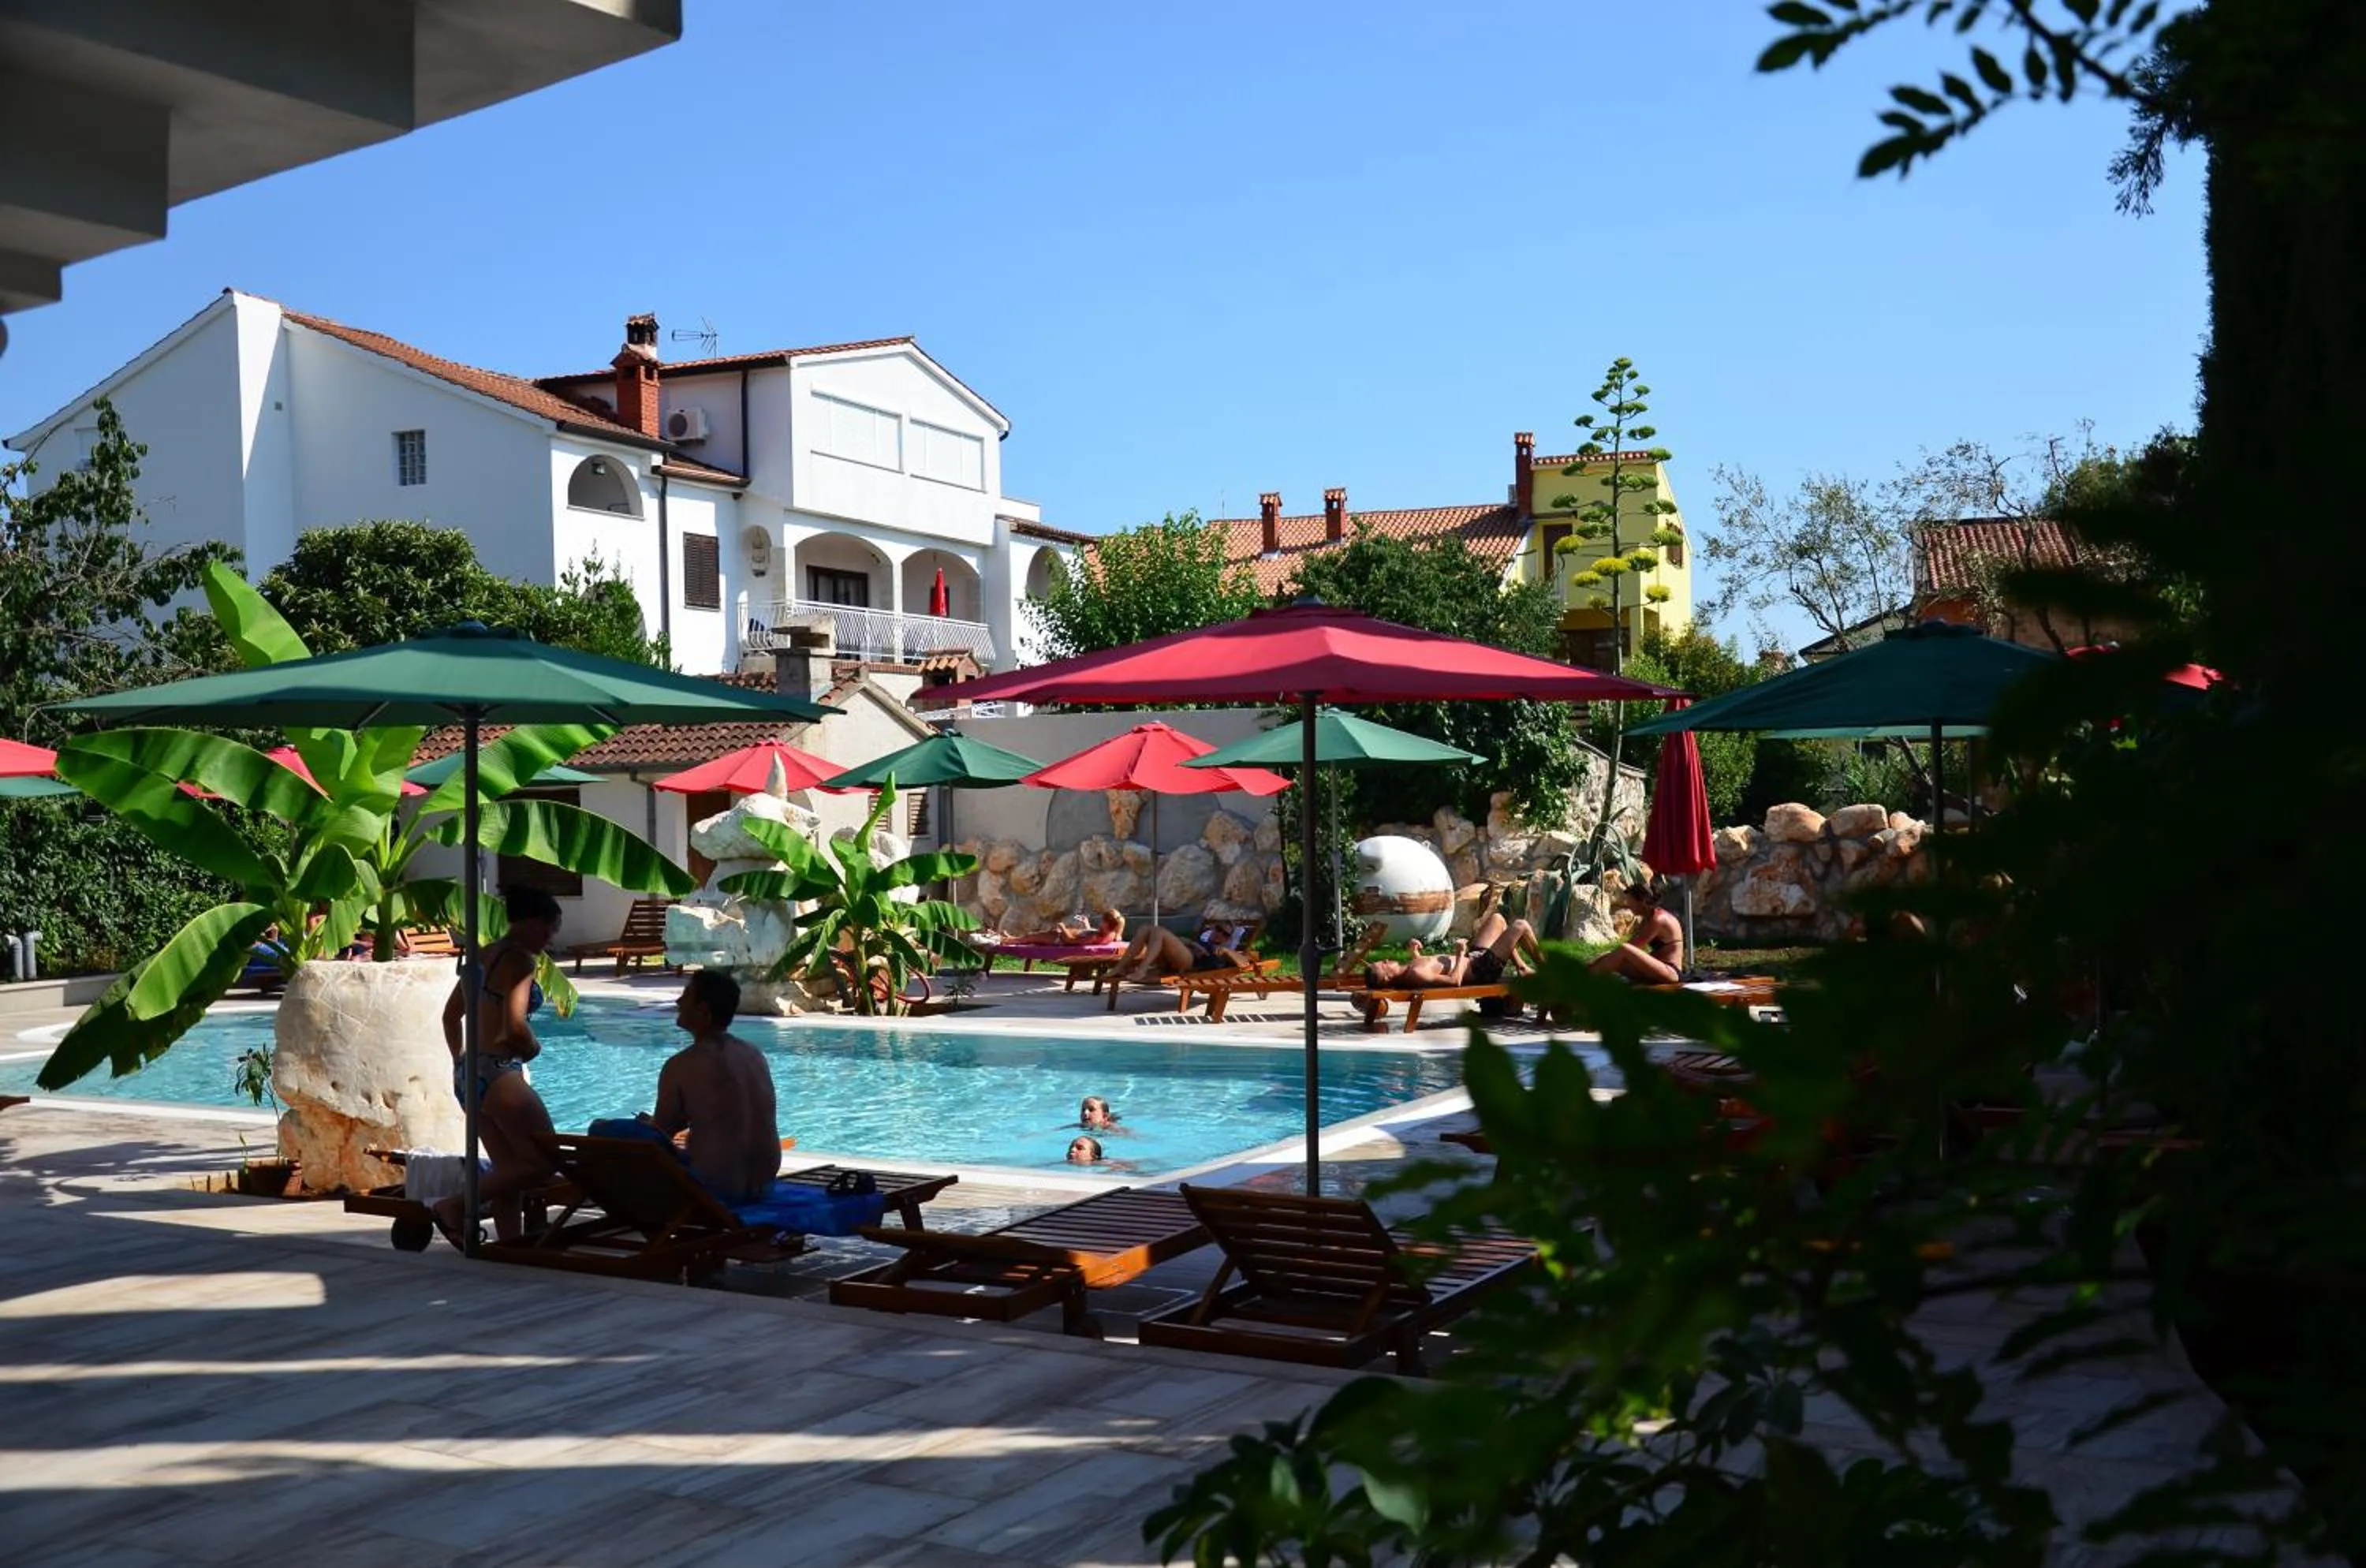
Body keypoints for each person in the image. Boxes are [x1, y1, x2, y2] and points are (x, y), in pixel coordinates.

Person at [433, 887, 563, 1247]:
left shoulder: (480, 955)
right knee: (543, 1161)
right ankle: (454, 1206)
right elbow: (514, 1025)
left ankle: (511, 1245)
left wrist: (459, 1059)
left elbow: (450, 1016)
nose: (551, 938)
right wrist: (533, 1048)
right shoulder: (521, 961)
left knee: (509, 1171)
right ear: (533, 923)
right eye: (550, 928)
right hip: (500, 1071)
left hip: (469, 1074)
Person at [645, 969, 781, 1206]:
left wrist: (645, 1124)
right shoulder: (754, 1055)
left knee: (610, 1132)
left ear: (704, 1012)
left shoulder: (681, 1065)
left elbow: (661, 1135)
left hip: (716, 1188)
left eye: (686, 996)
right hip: (764, 1184)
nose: (678, 1002)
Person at [1588, 879, 1685, 985]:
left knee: (1623, 950)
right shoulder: (1648, 917)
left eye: (1630, 901)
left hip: (1670, 971)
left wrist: (1604, 956)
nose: (1628, 905)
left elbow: (1634, 946)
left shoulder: (1658, 919)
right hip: (1658, 966)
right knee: (1616, 961)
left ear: (1642, 901)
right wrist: (1600, 959)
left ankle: (1585, 982)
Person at [1114, 923, 1248, 984]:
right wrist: (1192, 943)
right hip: (1179, 955)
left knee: (1159, 931)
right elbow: (1180, 942)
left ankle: (1142, 970)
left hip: (1191, 962)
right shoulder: (1202, 940)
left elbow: (1244, 962)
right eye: (1219, 929)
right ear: (1214, 928)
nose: (1220, 934)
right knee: (1146, 928)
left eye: (1225, 934)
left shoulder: (1222, 950)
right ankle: (1120, 967)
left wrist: (1227, 950)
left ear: (1228, 939)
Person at [1006, 908, 1126, 946]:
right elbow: (1090, 933)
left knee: (1031, 937)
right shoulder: (1112, 934)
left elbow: (1070, 940)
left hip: (1059, 939)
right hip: (1060, 936)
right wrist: (1086, 924)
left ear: (1107, 923)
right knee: (1033, 937)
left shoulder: (1095, 938)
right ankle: (1012, 938)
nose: (1100, 922)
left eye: (1102, 921)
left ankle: (1007, 941)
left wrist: (1063, 928)